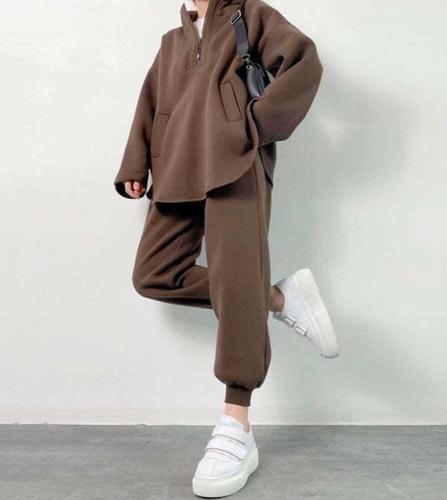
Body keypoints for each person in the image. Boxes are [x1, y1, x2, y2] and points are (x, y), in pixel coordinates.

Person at [114, 0, 339, 496]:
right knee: (154, 274)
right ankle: (276, 297)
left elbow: (304, 61)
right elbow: (150, 103)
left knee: (237, 278)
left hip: (235, 166)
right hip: (175, 169)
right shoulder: (172, 41)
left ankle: (236, 423)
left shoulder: (249, 15)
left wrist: (251, 125)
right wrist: (136, 163)